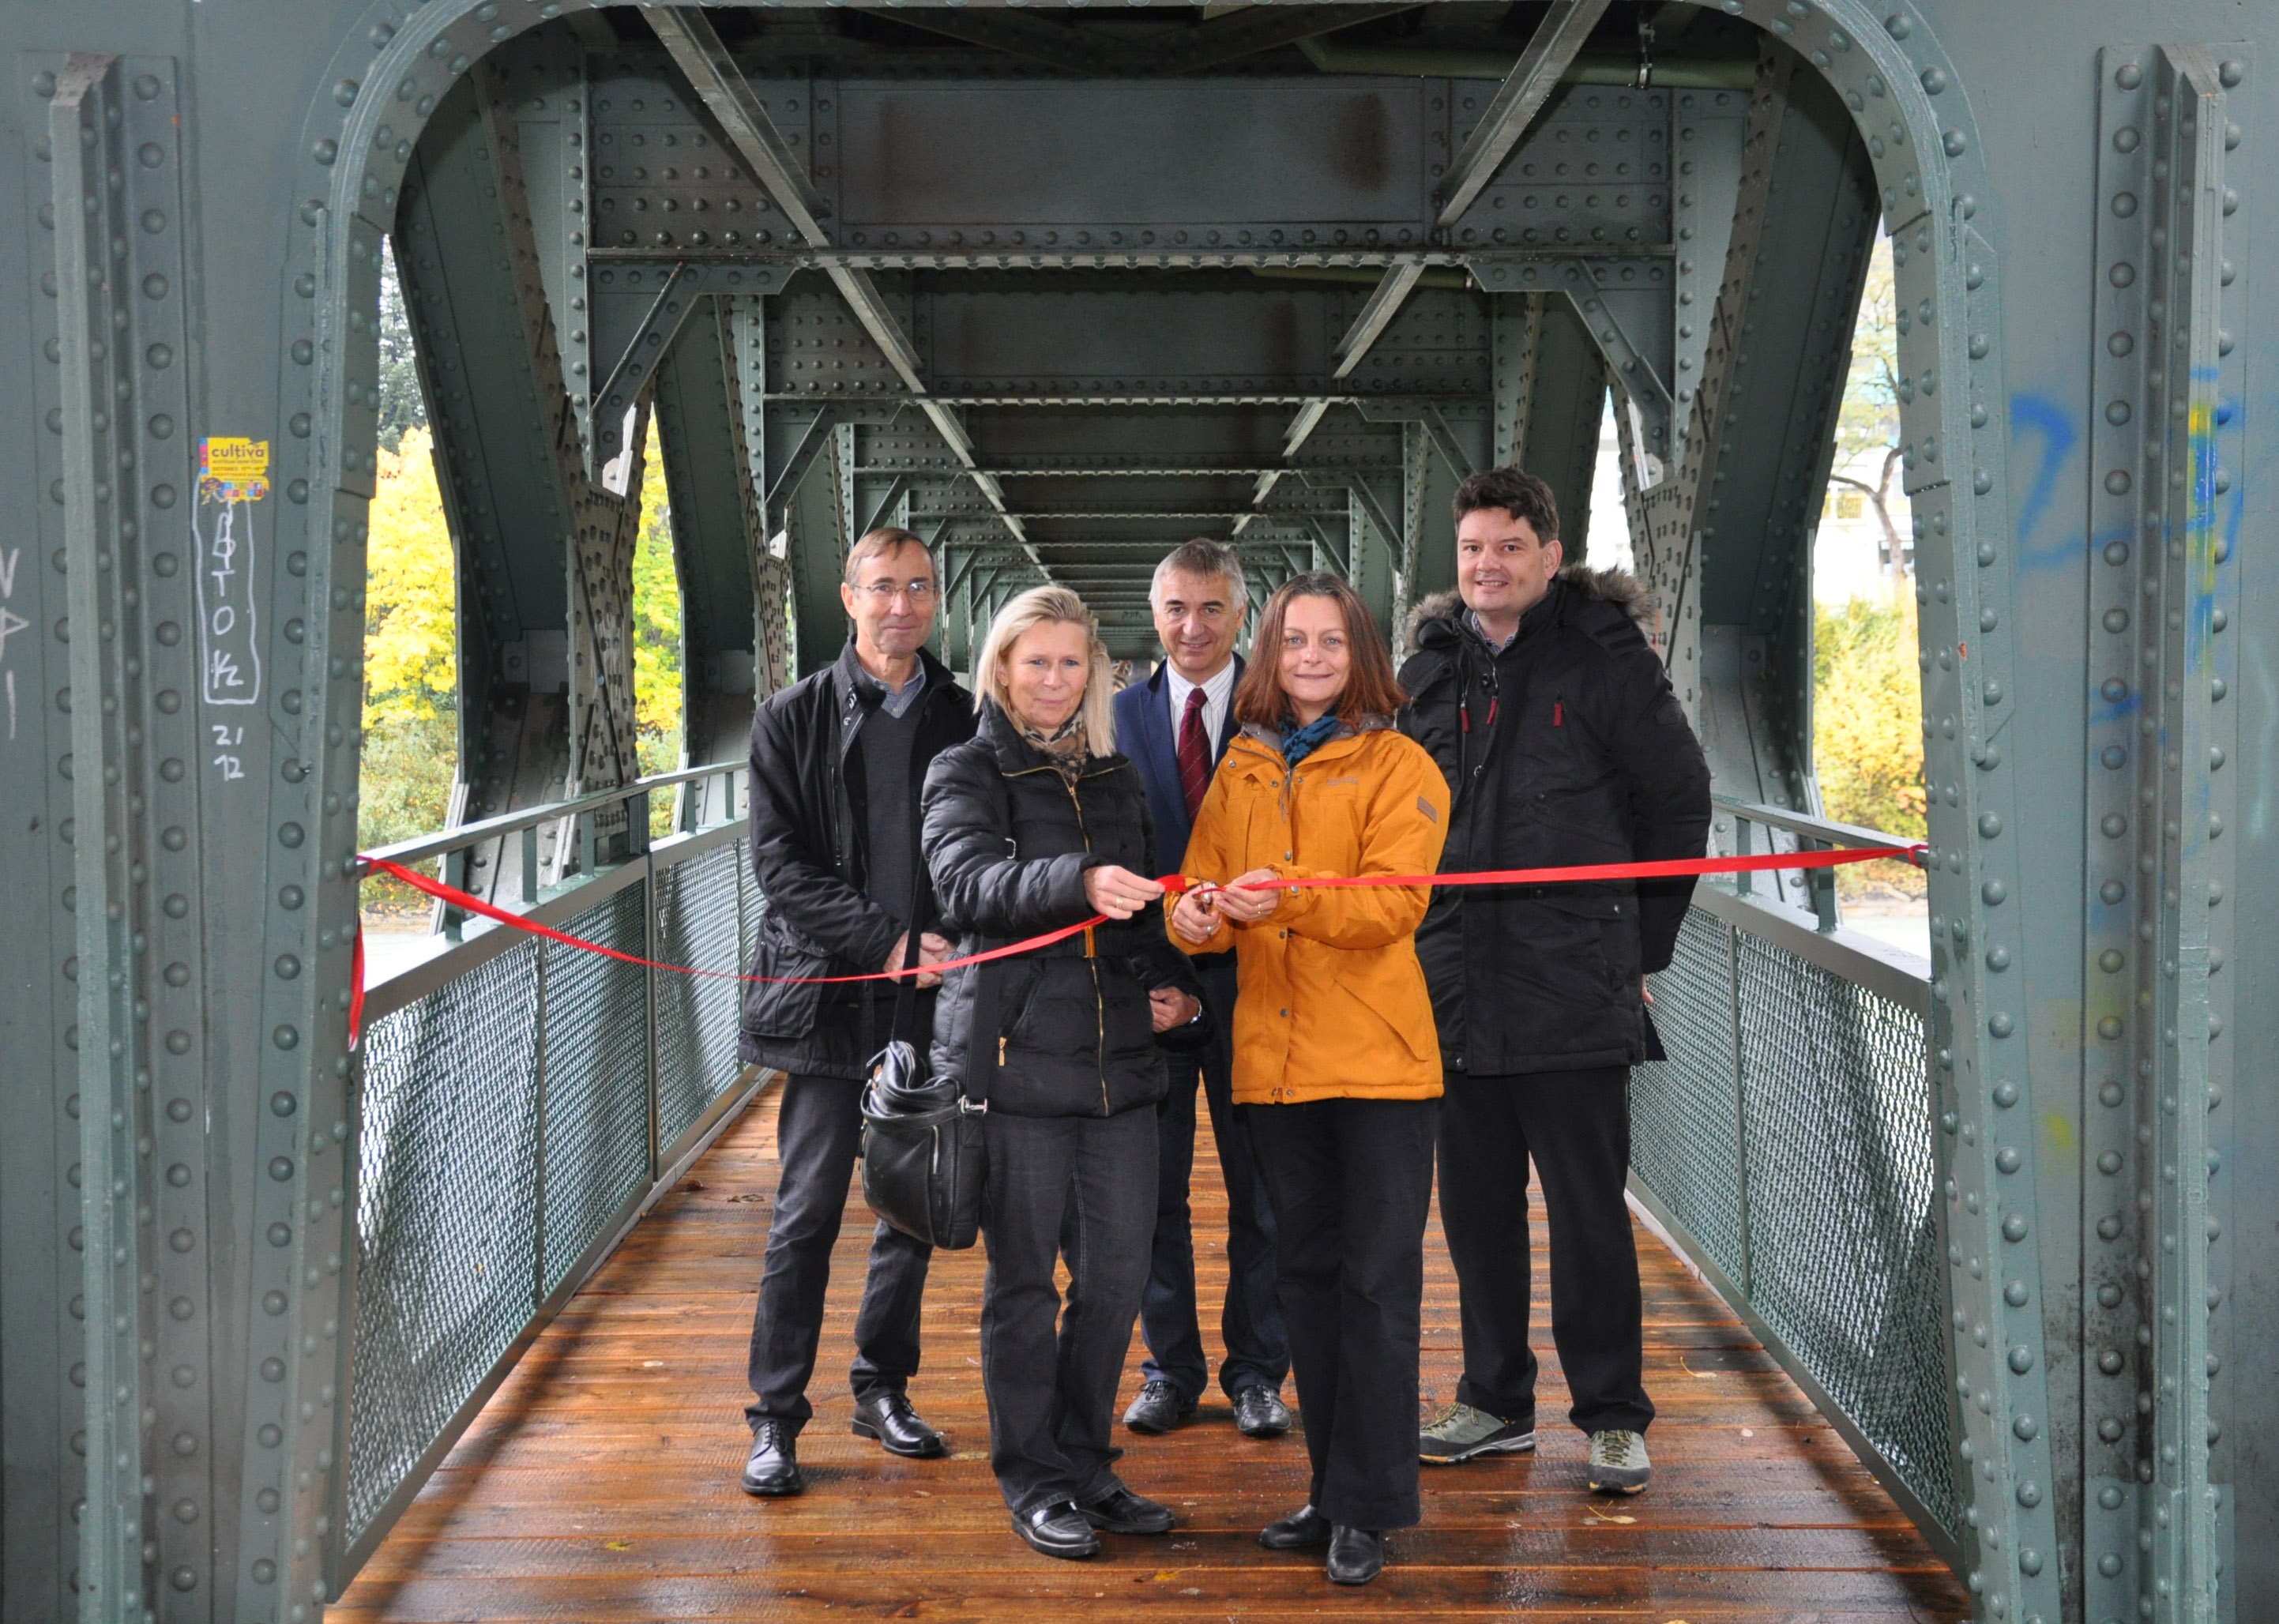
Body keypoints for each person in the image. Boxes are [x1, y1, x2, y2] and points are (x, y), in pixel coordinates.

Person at [1397, 467, 1711, 1496]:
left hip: (1573, 988)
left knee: (1586, 1212)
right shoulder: (1428, 670)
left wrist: (1639, 954)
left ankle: (1613, 1416)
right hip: (1454, 992)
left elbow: (1679, 802)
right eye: (1473, 550)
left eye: (1508, 548)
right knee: (1475, 1209)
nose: (1488, 567)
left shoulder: (1604, 659)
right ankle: (1493, 1402)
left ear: (1550, 554)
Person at [1169, 573, 1449, 1586]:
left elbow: (1390, 909)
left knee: (1374, 1286)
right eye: (1294, 643)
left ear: (1359, 651)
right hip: (1273, 1066)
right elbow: (1197, 881)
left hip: (1376, 1065)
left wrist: (1279, 900)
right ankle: (1332, 1489)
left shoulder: (1400, 763)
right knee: (1308, 1282)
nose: (1312, 659)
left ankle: (1370, 1506)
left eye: (1331, 642)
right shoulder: (1240, 768)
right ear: (1269, 656)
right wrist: (1193, 917)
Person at [921, 585, 1205, 1562]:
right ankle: (1034, 1477)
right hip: (1014, 1068)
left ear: (1094, 675)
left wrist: (1183, 984)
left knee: (1118, 1278)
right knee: (1023, 1288)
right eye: (1032, 661)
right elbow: (961, 885)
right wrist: (1073, 880)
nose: (1051, 679)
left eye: (1069, 662)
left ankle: (1085, 1463)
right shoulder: (965, 770)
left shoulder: (1117, 778)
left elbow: (1139, 918)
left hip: (1120, 1070)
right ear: (1000, 668)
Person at [735, 528, 974, 1497]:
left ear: (934, 602)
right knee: (806, 1213)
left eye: (918, 588)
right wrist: (885, 942)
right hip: (832, 999)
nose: (901, 606)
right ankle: (774, 1419)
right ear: (848, 597)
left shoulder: (965, 714)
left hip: (932, 1004)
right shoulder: (788, 717)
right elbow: (778, 863)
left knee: (909, 1209)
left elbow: (986, 848)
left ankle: (881, 1387)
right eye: (883, 588)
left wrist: (950, 949)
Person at [1110, 539, 1292, 1442]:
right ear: (1155, 614)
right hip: (1155, 993)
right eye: (1177, 608)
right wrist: (1164, 981)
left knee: (1264, 1190)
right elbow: (1109, 864)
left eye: (1212, 608)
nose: (1192, 626)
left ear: (1240, 615)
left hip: (1260, 989)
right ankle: (1168, 1369)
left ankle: (1258, 1370)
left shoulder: (1281, 718)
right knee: (1154, 1193)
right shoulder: (1113, 719)